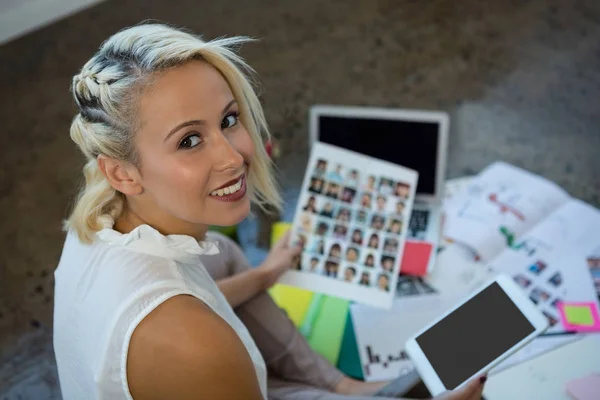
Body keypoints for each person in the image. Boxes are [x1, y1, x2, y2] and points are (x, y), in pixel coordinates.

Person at [53, 22, 486, 400]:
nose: (235, 156)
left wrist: (266, 273)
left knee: (222, 254)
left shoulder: (99, 218)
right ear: (123, 173)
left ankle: (338, 385)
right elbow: (186, 338)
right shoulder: (196, 345)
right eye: (189, 140)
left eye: (227, 120)